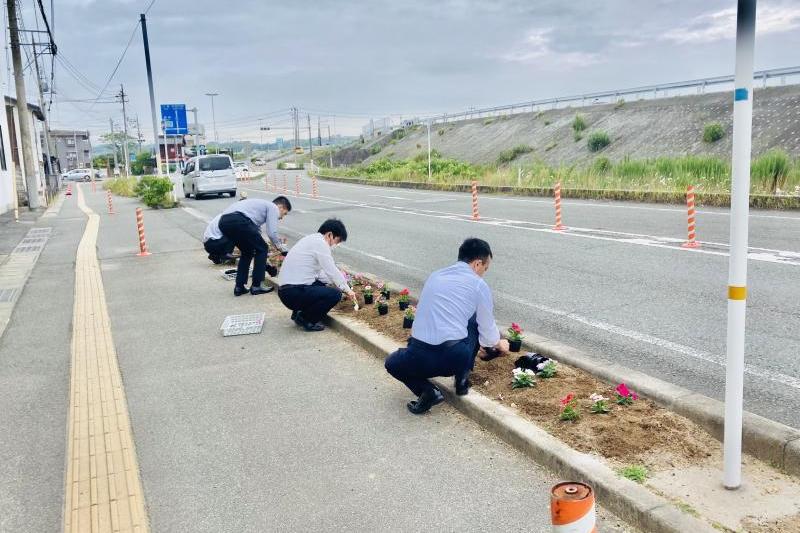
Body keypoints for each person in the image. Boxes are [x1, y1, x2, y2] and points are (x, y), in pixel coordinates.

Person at [384, 238, 510, 414]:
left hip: (418, 358)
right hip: (454, 360)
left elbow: (420, 316)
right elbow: (488, 332)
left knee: (392, 362)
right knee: (473, 319)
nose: (483, 273)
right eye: (485, 268)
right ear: (477, 264)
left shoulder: (435, 276)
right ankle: (462, 380)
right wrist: (500, 344)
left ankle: (427, 392)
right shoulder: (479, 285)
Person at [277, 219, 357, 332]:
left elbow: (321, 274)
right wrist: (347, 290)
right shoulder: (320, 243)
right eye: (337, 241)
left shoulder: (310, 239)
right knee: (334, 295)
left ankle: (298, 314)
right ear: (329, 235)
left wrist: (338, 284)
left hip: (286, 291)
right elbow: (331, 270)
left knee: (322, 284)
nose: (336, 245)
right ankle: (307, 319)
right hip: (292, 293)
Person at [218, 196, 291, 296]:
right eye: (284, 213)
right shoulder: (273, 207)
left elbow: (256, 233)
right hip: (239, 220)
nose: (282, 217)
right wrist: (281, 248)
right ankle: (257, 286)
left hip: (224, 222)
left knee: (248, 251)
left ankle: (239, 287)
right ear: (280, 207)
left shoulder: (257, 207)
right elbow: (272, 233)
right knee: (262, 248)